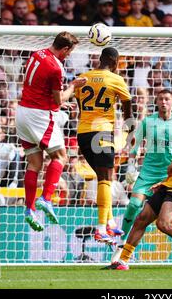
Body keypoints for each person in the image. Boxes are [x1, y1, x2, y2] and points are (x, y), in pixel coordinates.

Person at [105, 103, 172, 271]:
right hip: (170, 184)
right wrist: (163, 182)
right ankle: (123, 261)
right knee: (141, 219)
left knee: (163, 223)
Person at [15, 32, 87, 232]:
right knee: (60, 157)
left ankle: (29, 209)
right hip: (39, 116)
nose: (69, 56)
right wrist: (73, 86)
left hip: (22, 112)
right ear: (65, 49)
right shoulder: (56, 67)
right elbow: (58, 99)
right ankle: (46, 199)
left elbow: (41, 87)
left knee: (34, 162)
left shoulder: (37, 53)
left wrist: (56, 104)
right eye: (69, 52)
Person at [74, 47, 133, 244]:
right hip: (101, 133)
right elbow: (127, 110)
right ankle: (101, 228)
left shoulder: (84, 77)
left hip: (83, 133)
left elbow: (80, 107)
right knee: (107, 178)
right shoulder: (116, 79)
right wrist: (131, 132)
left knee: (102, 178)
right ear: (114, 62)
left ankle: (110, 223)